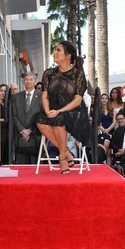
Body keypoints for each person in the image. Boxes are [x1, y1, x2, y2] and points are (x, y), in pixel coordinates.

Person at [36, 41, 89, 174]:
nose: (55, 53)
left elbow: (77, 101)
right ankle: (66, 152)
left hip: (73, 112)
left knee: (59, 120)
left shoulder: (78, 75)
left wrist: (59, 111)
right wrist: (48, 111)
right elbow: (44, 96)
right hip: (52, 110)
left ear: (68, 55)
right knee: (39, 121)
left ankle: (62, 159)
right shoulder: (49, 73)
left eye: (58, 50)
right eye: (55, 50)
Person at [12, 73, 42, 164]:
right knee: (21, 166)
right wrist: (22, 130)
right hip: (20, 136)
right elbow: (14, 115)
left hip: (36, 135)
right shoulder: (16, 97)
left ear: (35, 82)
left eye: (31, 79)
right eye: (26, 79)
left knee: (35, 165)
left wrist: (30, 130)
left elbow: (42, 115)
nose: (28, 81)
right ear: (23, 81)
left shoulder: (42, 97)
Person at [0, 84, 9, 164]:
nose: (3, 93)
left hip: (7, 134)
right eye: (1, 90)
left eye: (5, 91)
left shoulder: (8, 105)